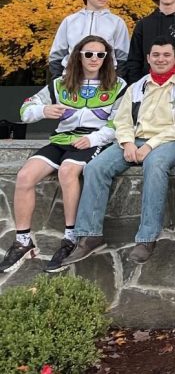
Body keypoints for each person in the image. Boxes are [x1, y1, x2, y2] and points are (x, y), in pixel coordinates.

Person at [62, 37, 175, 265]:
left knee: (155, 165)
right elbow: (122, 120)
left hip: (171, 141)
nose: (160, 59)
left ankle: (146, 238)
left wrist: (149, 145)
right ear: (148, 58)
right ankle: (89, 235)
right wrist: (126, 143)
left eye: (166, 55)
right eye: (156, 55)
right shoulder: (137, 87)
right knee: (95, 167)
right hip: (134, 139)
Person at [0, 36, 126, 274]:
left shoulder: (118, 85)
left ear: (108, 58)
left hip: (92, 140)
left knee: (68, 171)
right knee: (25, 175)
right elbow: (26, 109)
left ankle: (70, 238)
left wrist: (93, 139)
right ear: (78, 55)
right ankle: (23, 241)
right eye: (89, 54)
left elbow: (119, 123)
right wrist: (43, 110)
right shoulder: (60, 84)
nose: (94, 59)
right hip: (61, 139)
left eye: (101, 55)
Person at [49, 0, 129, 79]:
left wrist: (116, 79)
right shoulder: (69, 21)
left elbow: (123, 56)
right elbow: (56, 54)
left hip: (106, 80)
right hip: (72, 79)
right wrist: (57, 78)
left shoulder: (117, 22)